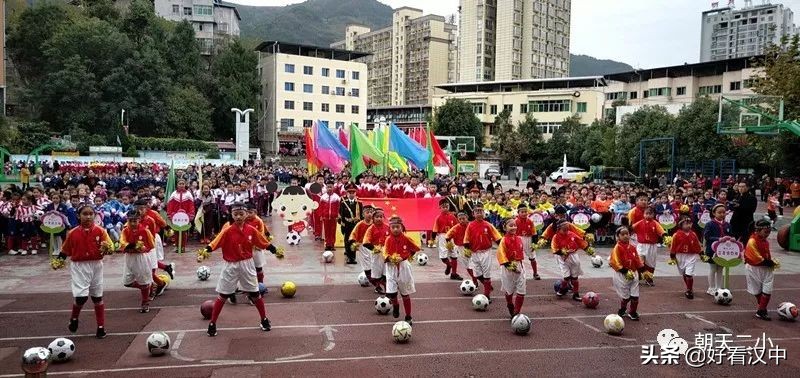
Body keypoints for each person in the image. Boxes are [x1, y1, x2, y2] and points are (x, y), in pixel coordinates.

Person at [198, 202, 272, 337]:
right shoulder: (227, 230)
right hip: (230, 265)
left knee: (255, 293)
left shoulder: (251, 229)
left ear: (246, 214)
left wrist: (273, 249)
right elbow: (215, 243)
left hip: (247, 264)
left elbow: (261, 241)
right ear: (231, 214)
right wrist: (205, 251)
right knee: (223, 295)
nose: (238, 217)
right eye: (235, 214)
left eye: (241, 214)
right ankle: (212, 323)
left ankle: (264, 319)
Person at [53, 205, 114, 339]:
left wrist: (109, 249)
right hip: (79, 266)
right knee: (82, 297)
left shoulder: (101, 231)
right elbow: (65, 250)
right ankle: (74, 318)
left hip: (96, 265)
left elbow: (110, 247)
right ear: (78, 216)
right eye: (85, 214)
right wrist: (58, 261)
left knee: (97, 297)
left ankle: (101, 327)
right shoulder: (73, 233)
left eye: (91, 214)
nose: (88, 216)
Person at [382, 216, 420, 324]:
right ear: (390, 228)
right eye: (393, 227)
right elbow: (385, 252)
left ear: (402, 227)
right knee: (392, 293)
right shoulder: (388, 239)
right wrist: (390, 258)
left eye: (397, 227)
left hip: (403, 267)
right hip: (391, 267)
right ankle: (396, 305)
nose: (395, 229)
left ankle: (408, 316)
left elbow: (415, 248)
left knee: (405, 293)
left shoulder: (406, 238)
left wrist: (406, 256)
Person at [119, 211, 156, 313]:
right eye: (130, 221)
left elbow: (151, 245)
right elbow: (122, 242)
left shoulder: (145, 231)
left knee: (143, 280)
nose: (132, 223)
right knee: (127, 282)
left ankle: (145, 302)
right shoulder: (125, 230)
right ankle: (147, 287)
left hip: (141, 257)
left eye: (135, 221)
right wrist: (127, 246)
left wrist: (143, 248)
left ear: (139, 220)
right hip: (129, 257)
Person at [464, 205, 502, 300]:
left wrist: (502, 246)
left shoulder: (488, 225)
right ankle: (487, 286)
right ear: (473, 214)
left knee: (486, 273)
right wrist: (467, 249)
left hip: (486, 252)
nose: (479, 213)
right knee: (477, 274)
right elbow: (466, 238)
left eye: (481, 211)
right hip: (474, 252)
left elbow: (497, 237)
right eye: (477, 211)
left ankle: (487, 295)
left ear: (484, 213)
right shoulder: (470, 225)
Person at [550, 220, 594, 301]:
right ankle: (562, 289)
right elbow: (554, 249)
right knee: (566, 277)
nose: (566, 231)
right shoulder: (555, 237)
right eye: (564, 230)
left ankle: (576, 294)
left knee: (575, 277)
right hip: (563, 258)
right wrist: (564, 252)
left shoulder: (572, 234)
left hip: (574, 257)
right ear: (559, 229)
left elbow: (581, 243)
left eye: (567, 229)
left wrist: (589, 250)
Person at [609, 226, 645, 321]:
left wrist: (642, 270)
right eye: (623, 234)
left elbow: (637, 259)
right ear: (618, 236)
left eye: (627, 234)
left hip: (633, 273)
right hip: (622, 275)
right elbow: (615, 262)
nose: (625, 236)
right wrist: (624, 271)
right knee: (626, 297)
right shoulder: (617, 248)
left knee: (635, 295)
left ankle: (633, 312)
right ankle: (623, 308)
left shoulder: (632, 247)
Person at [745, 220, 778, 321]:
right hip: (753, 268)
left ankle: (761, 310)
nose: (768, 234)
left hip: (766, 269)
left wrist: (771, 262)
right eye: (766, 232)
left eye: (769, 232)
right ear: (758, 230)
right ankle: (762, 308)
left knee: (767, 289)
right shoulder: (752, 241)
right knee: (757, 290)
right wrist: (767, 262)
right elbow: (754, 256)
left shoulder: (765, 241)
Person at [497, 219, 526, 317]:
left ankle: (516, 312)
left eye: (514, 225)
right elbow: (501, 255)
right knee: (509, 291)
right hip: (507, 268)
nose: (513, 227)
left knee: (521, 291)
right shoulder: (503, 240)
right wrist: (511, 267)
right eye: (511, 225)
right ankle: (510, 304)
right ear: (505, 228)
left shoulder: (519, 239)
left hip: (519, 266)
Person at [668, 218, 702, 299]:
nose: (688, 225)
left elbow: (697, 245)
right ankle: (689, 286)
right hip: (680, 256)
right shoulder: (676, 235)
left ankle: (689, 290)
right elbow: (673, 245)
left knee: (689, 273)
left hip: (691, 256)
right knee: (684, 273)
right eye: (686, 224)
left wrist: (701, 253)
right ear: (681, 225)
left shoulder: (693, 234)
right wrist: (672, 255)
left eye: (690, 223)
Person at [631, 207, 665, 286]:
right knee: (639, 261)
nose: (648, 215)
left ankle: (649, 278)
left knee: (650, 263)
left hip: (652, 246)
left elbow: (661, 231)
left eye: (650, 214)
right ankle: (639, 276)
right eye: (646, 213)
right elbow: (631, 228)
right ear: (644, 214)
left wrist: (665, 236)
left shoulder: (655, 223)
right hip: (641, 245)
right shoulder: (640, 223)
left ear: (653, 215)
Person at [703, 204, 730, 296]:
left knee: (720, 269)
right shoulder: (709, 224)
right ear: (714, 213)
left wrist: (731, 239)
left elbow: (730, 234)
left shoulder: (727, 224)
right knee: (713, 268)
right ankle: (711, 287)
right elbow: (707, 237)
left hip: (723, 251)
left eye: (724, 212)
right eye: (719, 212)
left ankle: (718, 288)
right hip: (712, 250)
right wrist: (718, 239)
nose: (722, 214)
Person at [363, 208, 390, 294]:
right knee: (376, 272)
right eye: (377, 217)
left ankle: (387, 288)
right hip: (376, 254)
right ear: (373, 218)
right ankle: (377, 287)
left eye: (381, 217)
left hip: (386, 253)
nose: (379, 219)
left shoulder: (388, 227)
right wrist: (374, 249)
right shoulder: (371, 229)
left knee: (386, 271)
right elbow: (366, 242)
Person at [433, 198, 461, 280]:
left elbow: (457, 227)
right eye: (443, 207)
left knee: (454, 255)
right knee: (443, 256)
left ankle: (454, 273)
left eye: (447, 206)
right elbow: (435, 229)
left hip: (452, 237)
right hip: (443, 236)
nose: (445, 208)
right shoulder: (438, 218)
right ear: (440, 208)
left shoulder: (453, 217)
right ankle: (449, 265)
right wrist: (432, 238)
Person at [446, 212, 476, 285]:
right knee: (467, 265)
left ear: (467, 218)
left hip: (473, 247)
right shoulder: (456, 228)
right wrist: (449, 243)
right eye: (460, 219)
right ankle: (474, 279)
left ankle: (478, 279)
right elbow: (447, 236)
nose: (462, 220)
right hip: (461, 248)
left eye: (463, 219)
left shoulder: (472, 225)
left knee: (475, 264)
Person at [166, 179, 195, 253]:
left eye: (183, 184)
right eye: (180, 184)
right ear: (177, 185)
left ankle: (183, 247)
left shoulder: (188, 194)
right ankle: (177, 246)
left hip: (185, 217)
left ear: (185, 185)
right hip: (175, 217)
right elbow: (170, 206)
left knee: (184, 232)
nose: (181, 185)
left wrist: (190, 215)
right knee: (176, 232)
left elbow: (191, 206)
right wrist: (170, 214)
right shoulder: (173, 194)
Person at [350, 205, 376, 288]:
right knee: (366, 264)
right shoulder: (360, 224)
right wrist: (353, 242)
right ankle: (373, 281)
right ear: (363, 214)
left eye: (371, 212)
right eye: (367, 212)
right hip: (363, 247)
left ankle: (376, 279)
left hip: (373, 246)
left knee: (374, 263)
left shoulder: (375, 224)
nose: (369, 214)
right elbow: (353, 234)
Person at [514, 205, 541, 280]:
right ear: (518, 213)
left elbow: (534, 233)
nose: (524, 213)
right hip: (519, 239)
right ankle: (521, 273)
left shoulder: (530, 221)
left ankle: (535, 273)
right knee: (518, 257)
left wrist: (534, 243)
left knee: (532, 257)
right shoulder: (515, 221)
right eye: (522, 212)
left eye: (525, 212)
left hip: (529, 239)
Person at [338, 183, 361, 264]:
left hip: (355, 225)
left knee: (353, 241)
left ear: (355, 193)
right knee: (347, 241)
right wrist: (342, 225)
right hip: (347, 225)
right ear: (347, 193)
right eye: (350, 193)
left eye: (353, 193)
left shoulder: (359, 203)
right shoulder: (343, 203)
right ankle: (348, 256)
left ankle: (353, 258)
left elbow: (361, 215)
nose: (351, 194)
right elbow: (342, 215)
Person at [318, 181, 341, 252]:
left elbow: (339, 207)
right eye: (328, 187)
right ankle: (327, 244)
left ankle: (332, 245)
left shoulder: (336, 197)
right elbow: (320, 207)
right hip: (325, 217)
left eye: (331, 187)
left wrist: (338, 215)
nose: (329, 188)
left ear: (333, 187)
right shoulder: (323, 197)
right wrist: (321, 215)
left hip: (334, 217)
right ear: (326, 188)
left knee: (333, 231)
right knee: (326, 231)